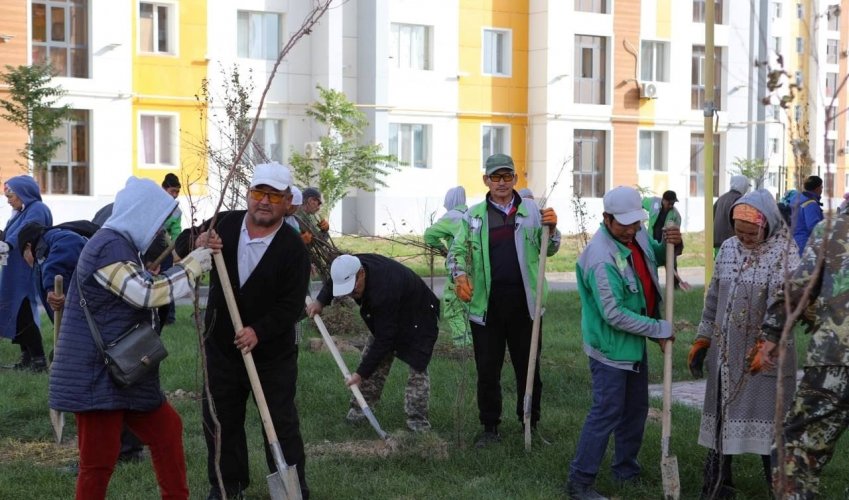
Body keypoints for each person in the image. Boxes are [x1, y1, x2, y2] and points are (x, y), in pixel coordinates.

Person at [48, 176, 214, 500]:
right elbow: (145, 293)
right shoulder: (108, 246)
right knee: (98, 462)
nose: (160, 232)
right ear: (142, 214)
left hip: (124, 372)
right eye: (157, 222)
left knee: (167, 430)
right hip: (98, 373)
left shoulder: (122, 246)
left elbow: (139, 289)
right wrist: (192, 266)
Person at [175, 162, 311, 500]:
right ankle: (227, 486)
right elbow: (180, 243)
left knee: (279, 422)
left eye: (273, 195)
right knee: (221, 420)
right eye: (258, 193)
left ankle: (291, 487)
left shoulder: (293, 249)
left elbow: (292, 306)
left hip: (271, 355)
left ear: (287, 202)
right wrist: (199, 239)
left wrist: (258, 331)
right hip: (221, 347)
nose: (264, 201)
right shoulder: (227, 224)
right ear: (249, 194)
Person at [566, 185, 680, 500]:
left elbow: (653, 255)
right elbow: (613, 314)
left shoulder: (637, 234)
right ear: (606, 218)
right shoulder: (601, 258)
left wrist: (673, 245)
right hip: (610, 348)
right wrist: (658, 328)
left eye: (635, 223)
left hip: (633, 344)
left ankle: (625, 470)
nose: (631, 229)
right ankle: (580, 481)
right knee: (607, 411)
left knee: (635, 410)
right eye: (624, 224)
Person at [689, 189, 800, 499]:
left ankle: (781, 490)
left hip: (763, 359)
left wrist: (767, 344)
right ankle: (716, 488)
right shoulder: (727, 248)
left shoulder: (785, 252)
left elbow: (785, 304)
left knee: (770, 430)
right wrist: (703, 338)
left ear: (768, 226)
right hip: (727, 357)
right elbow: (713, 297)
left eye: (752, 233)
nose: (745, 239)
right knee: (722, 426)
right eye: (739, 232)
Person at [449, 153, 560, 448]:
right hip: (487, 306)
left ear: (515, 179)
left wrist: (554, 229)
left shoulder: (532, 212)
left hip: (526, 304)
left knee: (529, 367)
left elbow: (549, 249)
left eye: (507, 177)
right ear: (486, 180)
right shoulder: (473, 217)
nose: (501, 182)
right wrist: (459, 276)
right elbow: (456, 252)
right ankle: (489, 427)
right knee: (488, 369)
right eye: (495, 177)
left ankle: (530, 423)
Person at [757, 211, 849, 499]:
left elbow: (800, 286)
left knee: (796, 449)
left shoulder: (833, 228)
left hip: (835, 358)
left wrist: (772, 333)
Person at [306, 253, 440, 432]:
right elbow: (333, 281)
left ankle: (418, 425)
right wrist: (320, 302)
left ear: (361, 273)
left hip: (419, 313)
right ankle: (359, 413)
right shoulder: (348, 265)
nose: (352, 295)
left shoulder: (383, 290)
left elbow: (385, 339)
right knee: (373, 359)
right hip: (390, 311)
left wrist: (360, 374)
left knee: (417, 368)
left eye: (353, 290)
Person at [0, 175, 52, 371]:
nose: (8, 200)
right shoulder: (21, 211)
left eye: (11, 195)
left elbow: (25, 231)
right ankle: (27, 357)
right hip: (15, 269)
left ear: (23, 193)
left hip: (25, 269)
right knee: (17, 311)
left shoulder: (38, 209)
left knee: (23, 312)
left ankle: (38, 360)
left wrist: (8, 243)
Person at [423, 186, 470, 347]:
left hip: (458, 268)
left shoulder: (451, 217)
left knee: (452, 307)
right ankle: (473, 343)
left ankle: (463, 346)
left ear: (450, 201)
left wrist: (443, 249)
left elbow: (429, 235)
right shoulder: (471, 215)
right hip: (475, 269)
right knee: (469, 306)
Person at [17, 222, 87, 321]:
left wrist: (52, 287)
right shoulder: (44, 251)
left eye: (24, 256)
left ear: (28, 246)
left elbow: (70, 242)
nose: (26, 262)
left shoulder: (56, 238)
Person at [642, 190, 685, 289]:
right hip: (651, 242)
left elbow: (676, 233)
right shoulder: (653, 203)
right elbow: (641, 203)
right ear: (664, 200)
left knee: (671, 263)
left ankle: (674, 286)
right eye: (670, 203)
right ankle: (653, 285)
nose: (671, 205)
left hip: (666, 244)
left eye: (673, 203)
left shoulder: (675, 215)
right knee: (651, 265)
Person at [713, 175, 751, 251]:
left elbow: (712, 215)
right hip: (732, 243)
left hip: (717, 241)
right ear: (743, 185)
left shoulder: (721, 198)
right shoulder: (740, 200)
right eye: (747, 186)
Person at [792, 175, 824, 255]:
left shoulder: (797, 199)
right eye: (821, 187)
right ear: (817, 189)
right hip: (805, 244)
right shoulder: (810, 204)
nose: (822, 190)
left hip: (794, 241)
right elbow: (814, 227)